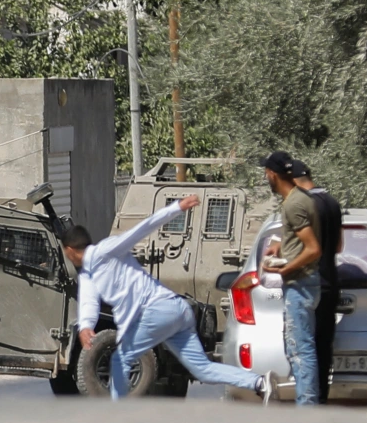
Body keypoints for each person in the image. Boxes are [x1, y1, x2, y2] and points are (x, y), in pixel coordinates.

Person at [61, 195, 278, 404]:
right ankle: (260, 383)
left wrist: (176, 208)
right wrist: (86, 326)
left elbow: (143, 228)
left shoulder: (106, 250)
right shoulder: (87, 274)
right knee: (202, 369)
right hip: (178, 311)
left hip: (157, 310)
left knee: (121, 359)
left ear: (70, 250)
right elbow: (89, 301)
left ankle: (117, 415)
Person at [261, 152, 322, 406]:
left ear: (272, 174)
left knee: (300, 350)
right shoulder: (301, 198)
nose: (266, 177)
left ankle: (306, 408)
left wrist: (285, 270)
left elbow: (313, 249)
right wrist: (280, 248)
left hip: (300, 285)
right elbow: (301, 241)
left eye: (266, 173)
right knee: (297, 347)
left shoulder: (293, 204)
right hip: (306, 283)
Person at [291, 160, 343, 404]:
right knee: (323, 346)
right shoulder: (332, 203)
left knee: (304, 345)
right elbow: (339, 245)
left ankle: (307, 402)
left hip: (307, 283)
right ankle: (321, 399)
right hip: (330, 282)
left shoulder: (303, 205)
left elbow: (303, 247)